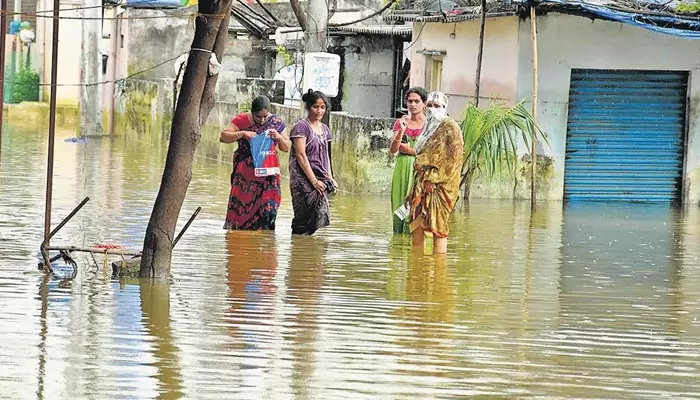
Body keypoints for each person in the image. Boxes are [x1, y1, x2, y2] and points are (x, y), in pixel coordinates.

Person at [220, 95, 291, 230]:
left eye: (265, 116)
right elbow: (223, 136)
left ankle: (266, 242)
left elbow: (286, 147)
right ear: (252, 113)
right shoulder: (241, 120)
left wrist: (279, 137)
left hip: (268, 171)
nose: (262, 120)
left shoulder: (276, 123)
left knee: (269, 208)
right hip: (246, 174)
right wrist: (241, 134)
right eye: (259, 117)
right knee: (242, 210)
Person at [407, 91, 464, 254]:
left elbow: (454, 159)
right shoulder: (428, 127)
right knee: (416, 224)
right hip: (420, 182)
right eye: (430, 105)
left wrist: (434, 179)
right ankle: (416, 267)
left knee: (438, 226)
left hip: (439, 186)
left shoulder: (451, 126)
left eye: (437, 106)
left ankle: (438, 271)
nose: (432, 109)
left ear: (445, 107)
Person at [289, 89, 338, 235]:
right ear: (308, 107)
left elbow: (326, 156)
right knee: (302, 218)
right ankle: (298, 250)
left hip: (320, 177)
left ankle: (309, 253)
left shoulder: (325, 129)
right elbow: (301, 155)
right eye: (315, 106)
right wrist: (314, 181)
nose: (319, 111)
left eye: (322, 107)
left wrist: (329, 177)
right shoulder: (301, 127)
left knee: (315, 218)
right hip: (302, 180)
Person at [390, 87, 428, 234]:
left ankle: (415, 241)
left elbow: (428, 150)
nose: (413, 104)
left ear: (424, 103)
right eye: (410, 101)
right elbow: (394, 149)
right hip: (402, 167)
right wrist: (401, 131)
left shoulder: (428, 124)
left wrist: (409, 150)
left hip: (420, 168)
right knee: (400, 204)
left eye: (416, 101)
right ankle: (399, 243)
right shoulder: (401, 123)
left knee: (417, 204)